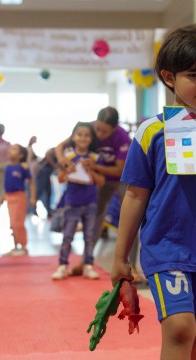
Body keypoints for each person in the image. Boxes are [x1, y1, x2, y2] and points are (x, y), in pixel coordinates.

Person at [110, 24, 196, 360]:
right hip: (166, 246)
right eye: (194, 75)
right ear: (169, 77)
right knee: (179, 328)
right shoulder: (151, 131)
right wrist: (121, 257)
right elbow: (134, 195)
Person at [54, 106, 140, 280]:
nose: (99, 134)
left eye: (104, 131)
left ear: (114, 128)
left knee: (131, 218)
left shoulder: (122, 137)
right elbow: (60, 146)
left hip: (121, 179)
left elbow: (119, 169)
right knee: (95, 219)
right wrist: (63, 160)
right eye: (97, 129)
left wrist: (94, 167)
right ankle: (86, 261)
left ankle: (131, 265)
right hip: (99, 179)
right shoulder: (89, 129)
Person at [51, 122, 105, 280]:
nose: (82, 138)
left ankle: (88, 265)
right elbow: (60, 179)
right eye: (79, 134)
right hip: (72, 202)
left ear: (91, 138)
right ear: (73, 136)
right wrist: (67, 171)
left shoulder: (95, 157)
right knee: (68, 235)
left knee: (89, 236)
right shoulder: (68, 155)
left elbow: (101, 181)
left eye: (87, 135)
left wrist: (91, 171)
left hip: (90, 202)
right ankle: (62, 265)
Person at [2, 144, 36, 256]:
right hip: (9, 197)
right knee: (12, 223)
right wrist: (4, 196)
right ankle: (15, 246)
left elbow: (31, 182)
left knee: (18, 223)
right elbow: (6, 184)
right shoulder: (7, 167)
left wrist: (33, 197)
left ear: (21, 155)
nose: (10, 150)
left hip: (19, 196)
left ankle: (23, 246)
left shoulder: (23, 167)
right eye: (10, 148)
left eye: (14, 149)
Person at [36, 147, 57, 218]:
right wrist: (54, 165)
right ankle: (32, 209)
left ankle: (49, 212)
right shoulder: (55, 151)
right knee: (40, 192)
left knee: (47, 193)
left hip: (48, 174)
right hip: (44, 173)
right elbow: (47, 155)